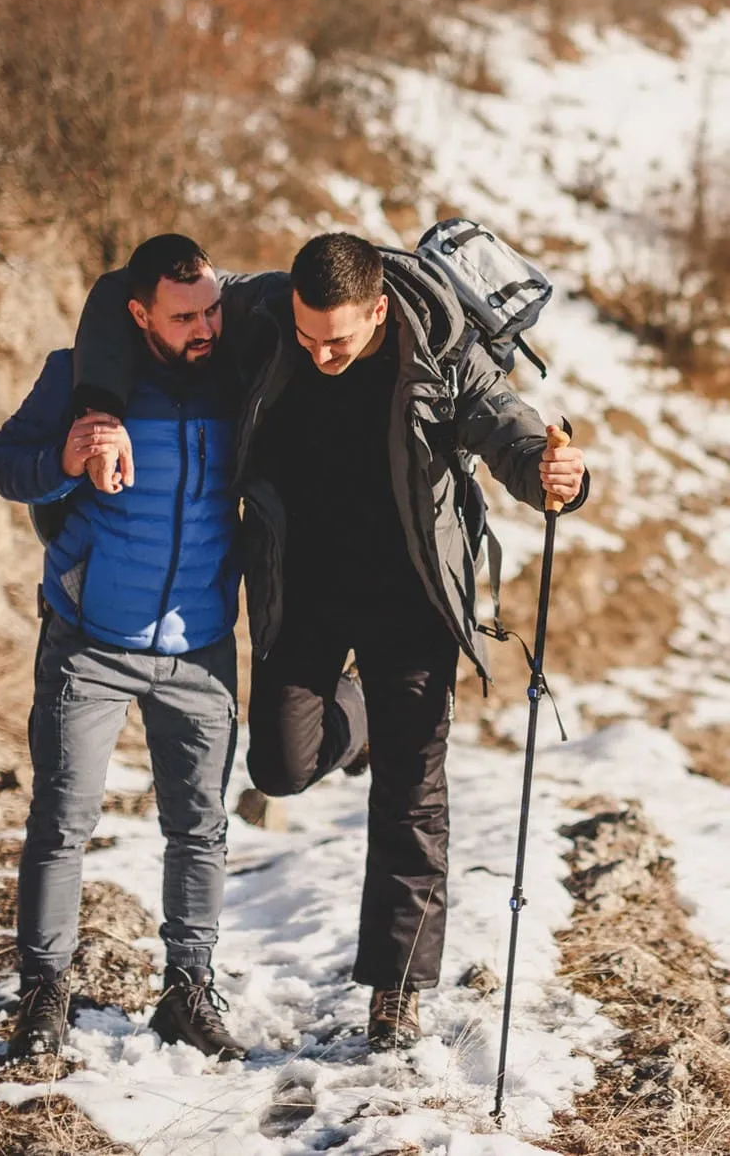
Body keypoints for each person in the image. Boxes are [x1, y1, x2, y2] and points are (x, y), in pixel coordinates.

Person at [73, 231, 587, 1054]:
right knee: (277, 765)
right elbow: (113, 292)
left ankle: (396, 989)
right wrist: (98, 400)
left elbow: (510, 431)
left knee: (412, 794)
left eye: (337, 339)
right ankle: (364, 719)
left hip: (411, 598)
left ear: (378, 308)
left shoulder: (443, 346)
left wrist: (553, 476)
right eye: (307, 335)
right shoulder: (266, 311)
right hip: (302, 591)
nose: (318, 353)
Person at [0, 234, 246, 1062]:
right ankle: (43, 993)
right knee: (62, 821)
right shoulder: (78, 375)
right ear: (139, 314)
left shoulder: (239, 376)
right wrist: (64, 459)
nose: (205, 326)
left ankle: (188, 989)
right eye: (184, 316)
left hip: (201, 644)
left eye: (210, 308)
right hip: (91, 641)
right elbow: (4, 462)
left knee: (200, 827)